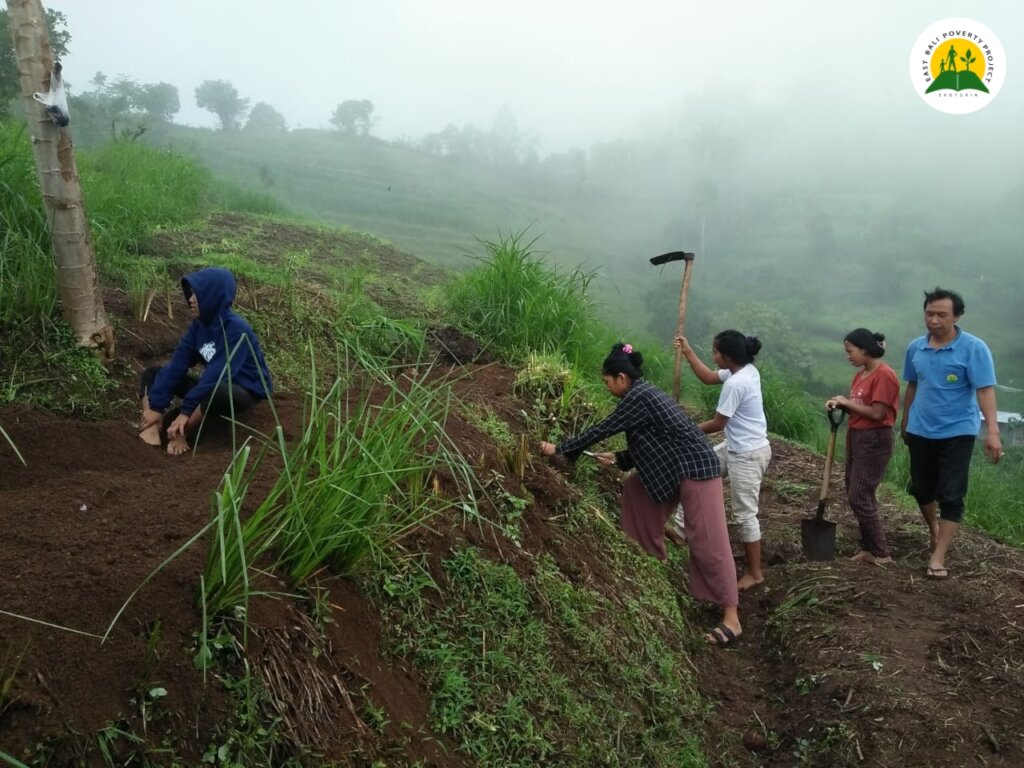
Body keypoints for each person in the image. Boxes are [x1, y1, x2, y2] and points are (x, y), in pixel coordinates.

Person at [538, 343, 741, 645]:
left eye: (607, 382)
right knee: (636, 489)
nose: (606, 388)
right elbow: (652, 439)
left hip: (697, 469)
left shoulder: (638, 397)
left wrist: (562, 448)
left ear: (621, 377)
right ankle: (649, 553)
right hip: (675, 465)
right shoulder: (643, 394)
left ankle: (732, 617)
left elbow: (605, 427)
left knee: (708, 539)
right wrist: (619, 459)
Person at [901, 287, 1003, 579]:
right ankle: (934, 530)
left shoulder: (973, 348)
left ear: (957, 316)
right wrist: (905, 419)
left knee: (951, 493)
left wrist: (992, 432)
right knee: (922, 489)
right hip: (920, 429)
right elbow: (912, 385)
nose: (934, 320)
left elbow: (985, 390)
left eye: (941, 315)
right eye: (929, 313)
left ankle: (938, 555)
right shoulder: (915, 348)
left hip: (957, 431)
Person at [671, 331, 771, 591]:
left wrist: (685, 429)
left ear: (727, 356)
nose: (713, 356)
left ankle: (755, 573)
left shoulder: (736, 383)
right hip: (737, 447)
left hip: (748, 454)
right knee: (696, 471)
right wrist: (687, 350)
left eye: (715, 352)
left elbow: (718, 422)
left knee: (745, 515)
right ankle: (681, 530)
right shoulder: (743, 371)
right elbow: (706, 377)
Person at [138, 267, 272, 455]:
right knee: (153, 374)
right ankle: (150, 425)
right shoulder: (198, 326)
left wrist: (184, 413)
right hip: (211, 385)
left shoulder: (237, 330)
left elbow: (217, 376)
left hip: (242, 392)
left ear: (213, 296)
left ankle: (182, 431)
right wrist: (156, 406)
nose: (190, 299)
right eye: (190, 293)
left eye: (197, 294)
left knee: (221, 391)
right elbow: (178, 364)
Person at [825, 328, 900, 565]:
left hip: (875, 439)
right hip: (857, 436)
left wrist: (847, 403)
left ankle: (881, 552)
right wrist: (841, 404)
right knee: (855, 491)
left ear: (865, 350)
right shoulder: (861, 374)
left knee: (859, 494)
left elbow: (878, 413)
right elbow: (859, 406)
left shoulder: (884, 376)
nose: (848, 356)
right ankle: (868, 547)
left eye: (850, 351)